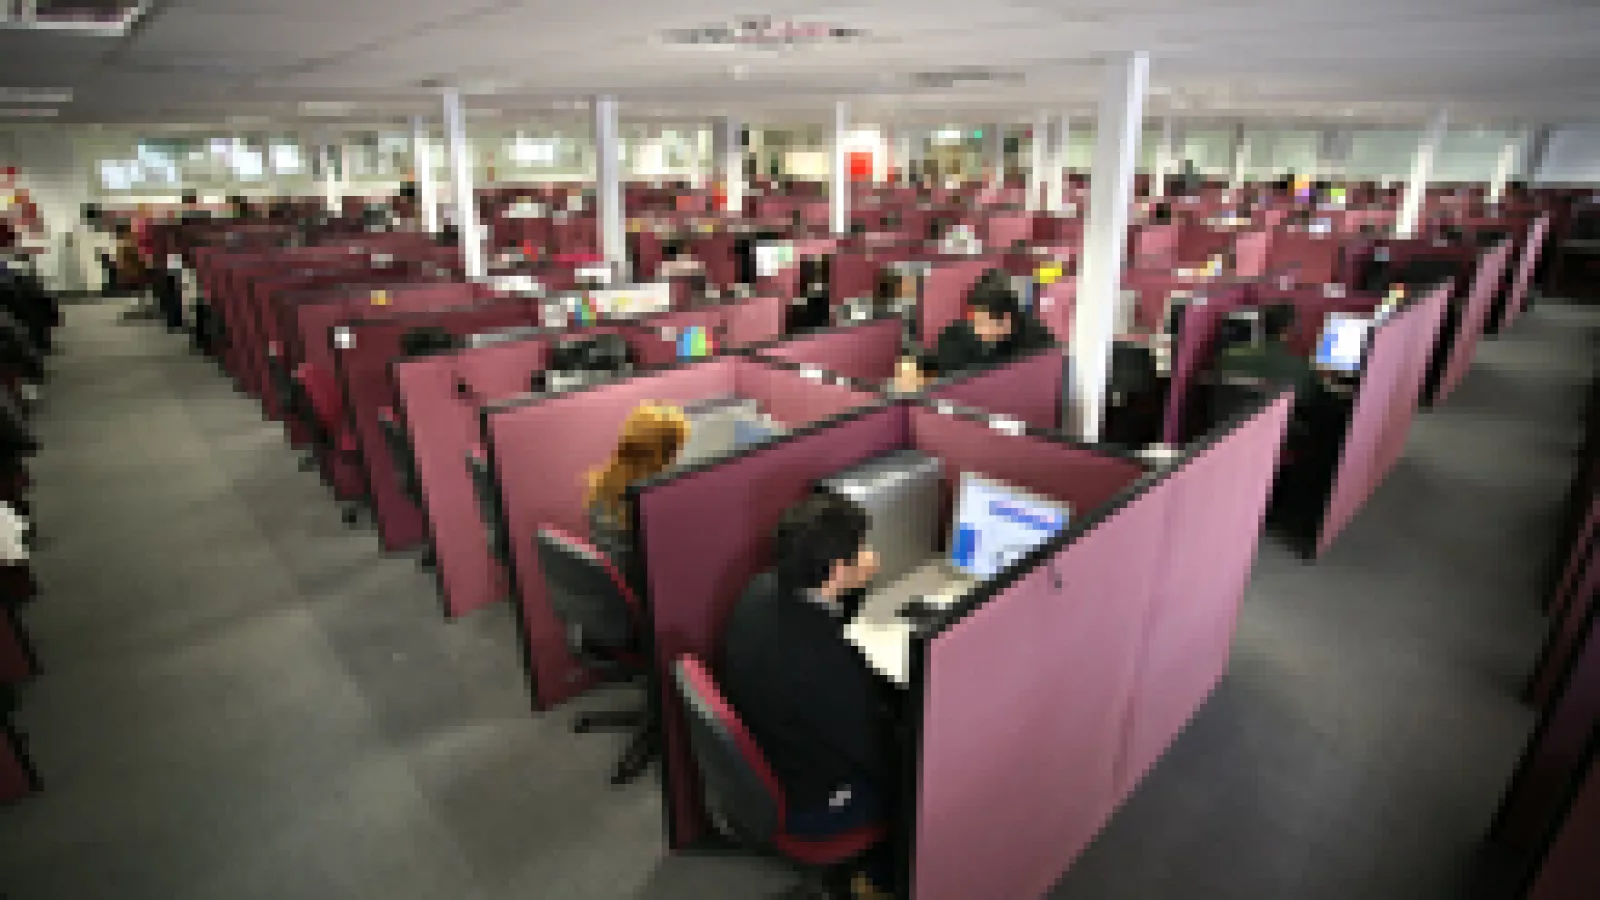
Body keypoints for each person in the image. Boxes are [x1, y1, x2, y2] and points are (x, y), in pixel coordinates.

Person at [719, 491, 897, 899]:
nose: (870, 554)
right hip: (811, 804)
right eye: (862, 548)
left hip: (770, 760)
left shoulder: (760, 589)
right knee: (918, 786)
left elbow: (825, 612)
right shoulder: (821, 664)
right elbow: (870, 753)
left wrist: (856, 584)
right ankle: (877, 881)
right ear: (836, 569)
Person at [583, 403, 689, 589]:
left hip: (611, 589)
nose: (678, 458)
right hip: (642, 592)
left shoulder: (603, 484)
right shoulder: (647, 501)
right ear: (662, 455)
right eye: (676, 451)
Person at [891, 276, 1055, 393]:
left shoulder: (1037, 341)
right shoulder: (954, 336)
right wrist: (919, 370)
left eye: (983, 323)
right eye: (975, 320)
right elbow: (943, 368)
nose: (977, 328)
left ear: (1007, 321)